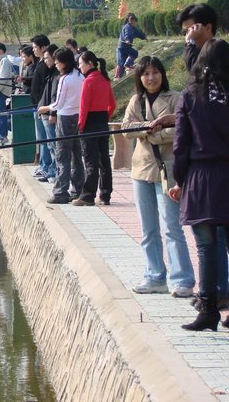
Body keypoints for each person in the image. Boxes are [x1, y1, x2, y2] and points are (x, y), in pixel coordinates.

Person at [121, 56, 194, 298]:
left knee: (172, 226)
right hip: (141, 168)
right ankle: (154, 276)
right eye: (146, 74)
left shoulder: (176, 98)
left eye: (155, 72)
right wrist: (148, 128)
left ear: (162, 74)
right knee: (148, 229)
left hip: (168, 170)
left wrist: (155, 133)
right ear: (139, 77)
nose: (151, 78)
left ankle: (182, 280)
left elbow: (182, 129)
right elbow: (126, 128)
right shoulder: (136, 100)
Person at [171, 39, 229, 331]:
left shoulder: (190, 95)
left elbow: (181, 144)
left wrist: (179, 179)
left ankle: (208, 310)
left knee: (206, 247)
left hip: (201, 178)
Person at [39, 48, 84, 204]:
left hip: (65, 119)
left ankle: (60, 192)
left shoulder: (64, 79)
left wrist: (45, 108)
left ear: (64, 62)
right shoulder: (80, 76)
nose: (56, 64)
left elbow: (58, 103)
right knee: (77, 156)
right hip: (78, 118)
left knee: (62, 156)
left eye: (57, 62)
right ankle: (77, 190)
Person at [73, 51, 115, 206]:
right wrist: (105, 117)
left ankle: (88, 195)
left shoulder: (88, 81)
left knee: (91, 161)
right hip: (102, 122)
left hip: (89, 124)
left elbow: (83, 107)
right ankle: (105, 194)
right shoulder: (105, 79)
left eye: (80, 64)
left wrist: (80, 126)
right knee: (104, 161)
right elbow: (113, 105)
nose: (79, 67)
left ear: (89, 64)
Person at [30, 35, 54, 180]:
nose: (33, 50)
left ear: (44, 47)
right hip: (38, 107)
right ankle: (44, 165)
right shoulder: (40, 63)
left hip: (43, 108)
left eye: (35, 47)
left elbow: (45, 87)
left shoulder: (46, 65)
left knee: (47, 140)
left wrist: (42, 105)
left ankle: (47, 167)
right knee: (42, 139)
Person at [35, 45, 59, 183]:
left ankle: (55, 172)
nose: (45, 61)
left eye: (47, 58)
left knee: (53, 145)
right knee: (49, 144)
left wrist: (52, 113)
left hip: (50, 114)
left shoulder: (57, 75)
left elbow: (55, 97)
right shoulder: (50, 73)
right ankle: (51, 170)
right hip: (44, 112)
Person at [115, 13, 147, 79]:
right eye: (135, 20)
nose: (135, 22)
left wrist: (144, 37)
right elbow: (127, 34)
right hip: (123, 47)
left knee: (122, 63)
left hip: (123, 48)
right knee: (134, 53)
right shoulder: (127, 27)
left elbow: (139, 33)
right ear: (131, 20)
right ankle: (127, 66)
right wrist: (127, 40)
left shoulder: (132, 28)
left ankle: (120, 77)